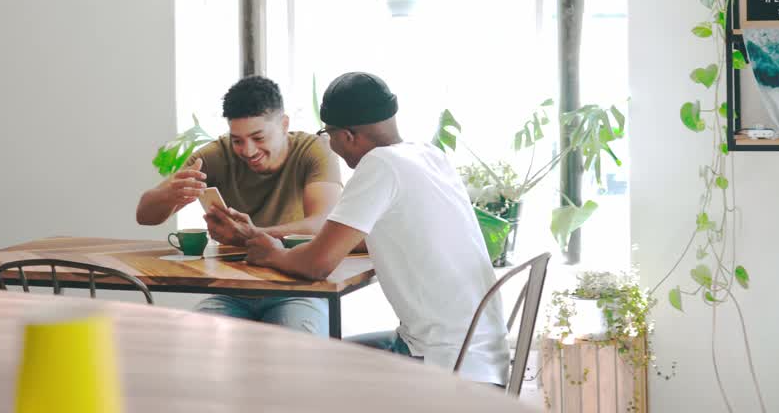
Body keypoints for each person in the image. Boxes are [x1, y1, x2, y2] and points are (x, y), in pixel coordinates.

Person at [216, 72, 510, 385]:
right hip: (481, 356)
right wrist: (282, 243)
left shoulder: (380, 165)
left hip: (445, 366)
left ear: (348, 135)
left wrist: (272, 254)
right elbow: (369, 240)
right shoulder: (429, 156)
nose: (331, 146)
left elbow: (318, 264)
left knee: (311, 371)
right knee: (329, 357)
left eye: (328, 135)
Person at [135, 75, 343, 334]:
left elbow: (324, 224)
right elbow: (145, 215)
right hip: (232, 290)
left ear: (284, 124)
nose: (248, 150)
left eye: (258, 137)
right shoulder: (217, 155)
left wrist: (249, 236)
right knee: (192, 340)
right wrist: (171, 194)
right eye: (238, 140)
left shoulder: (313, 151)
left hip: (297, 288)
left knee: (296, 349)